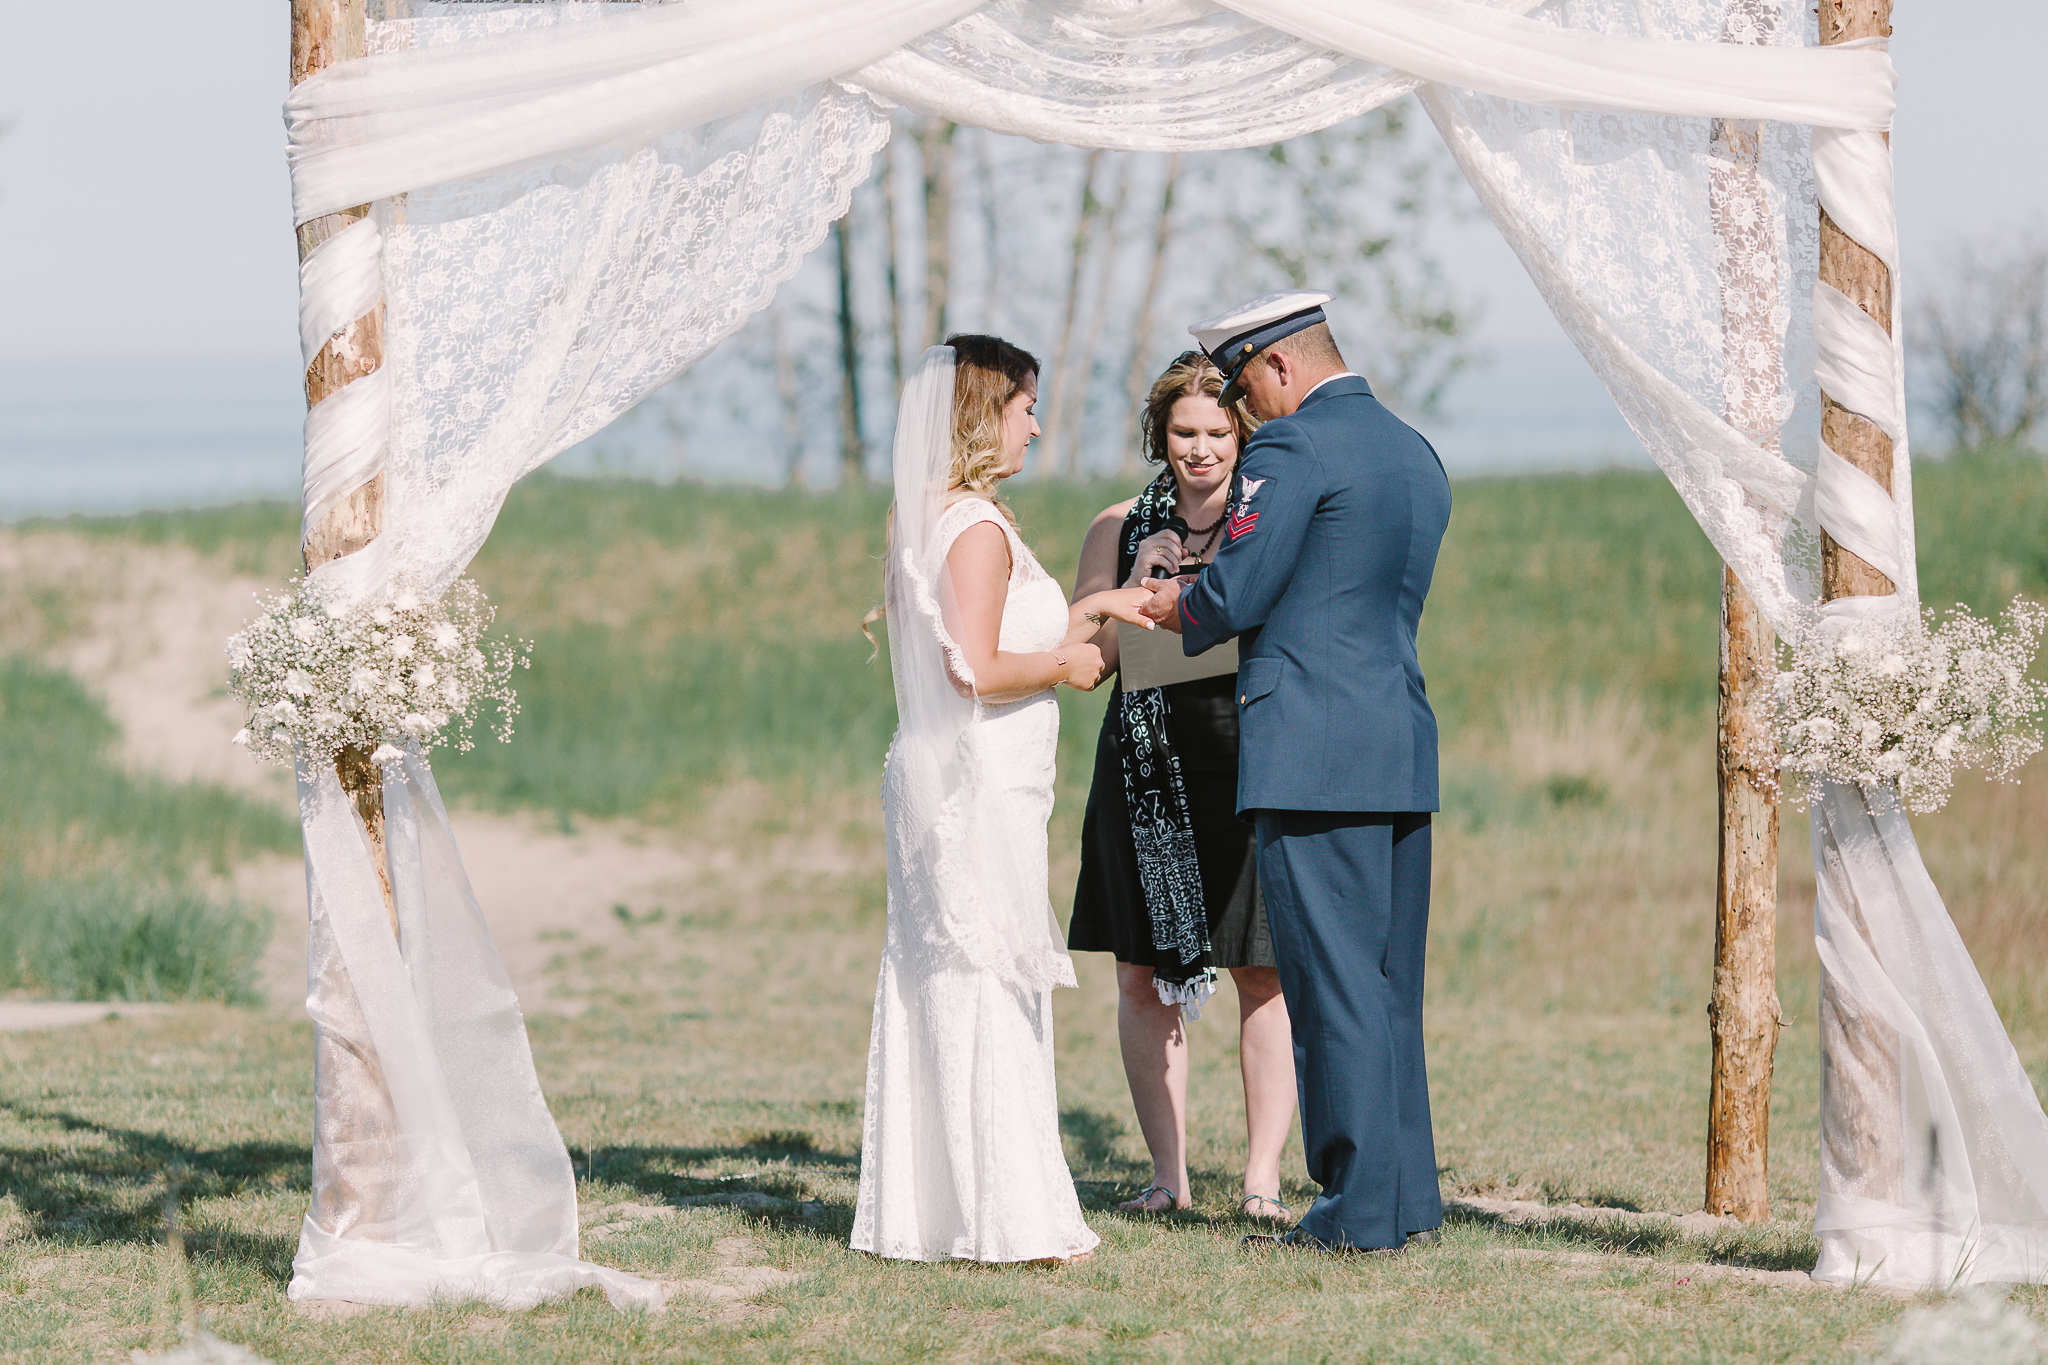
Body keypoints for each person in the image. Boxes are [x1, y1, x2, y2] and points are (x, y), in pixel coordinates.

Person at [1140, 292, 1452, 1255]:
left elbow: (1231, 594)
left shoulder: (1292, 451)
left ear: (1276, 366)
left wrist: (1149, 596)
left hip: (1312, 755)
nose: (1240, 416)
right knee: (1390, 985)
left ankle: (1354, 1211)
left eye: (1240, 388)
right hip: (1396, 744)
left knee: (1332, 986)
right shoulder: (1414, 449)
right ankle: (1405, 1198)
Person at [851, 336, 1160, 1265]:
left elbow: (982, 641)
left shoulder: (928, 514)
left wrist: (1100, 612)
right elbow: (980, 667)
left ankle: (932, 1212)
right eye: (1025, 406)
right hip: (976, 782)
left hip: (956, 773)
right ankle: (1006, 1217)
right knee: (986, 973)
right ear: (985, 414)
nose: (1035, 423)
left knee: (951, 972)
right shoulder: (977, 527)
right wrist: (1069, 663)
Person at [1066, 351, 1297, 1224]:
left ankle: (1262, 1180)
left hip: (1249, 764)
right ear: (1159, 436)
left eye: (1216, 432)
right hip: (1144, 772)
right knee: (1139, 978)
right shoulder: (1117, 524)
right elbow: (1087, 660)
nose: (1200, 450)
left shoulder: (1270, 521)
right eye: (1183, 433)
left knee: (1262, 974)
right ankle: (1168, 1176)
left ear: (1243, 432)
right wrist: (1133, 590)